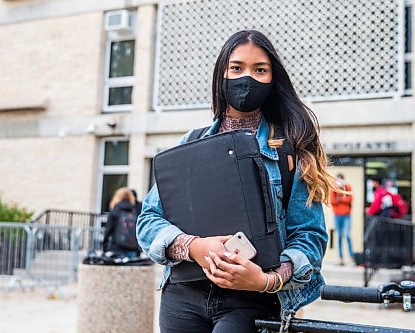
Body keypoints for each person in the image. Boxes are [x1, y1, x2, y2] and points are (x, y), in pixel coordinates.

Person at [137, 30, 335, 332]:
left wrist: (268, 280)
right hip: (182, 295)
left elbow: (310, 236)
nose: (247, 78)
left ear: (272, 79)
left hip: (251, 300)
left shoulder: (291, 149)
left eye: (260, 70)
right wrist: (193, 246)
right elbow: (149, 219)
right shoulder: (190, 143)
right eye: (237, 68)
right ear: (222, 75)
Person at [103, 187, 140, 258]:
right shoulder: (134, 210)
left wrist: (105, 247)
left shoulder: (115, 210)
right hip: (133, 248)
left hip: (117, 247)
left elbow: (108, 229)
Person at [330, 174, 354, 265]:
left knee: (347, 236)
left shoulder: (348, 187)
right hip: (337, 216)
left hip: (347, 216)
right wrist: (342, 197)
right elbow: (332, 201)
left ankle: (351, 258)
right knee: (339, 237)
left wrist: (340, 198)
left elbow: (350, 199)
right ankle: (340, 258)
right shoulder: (334, 188)